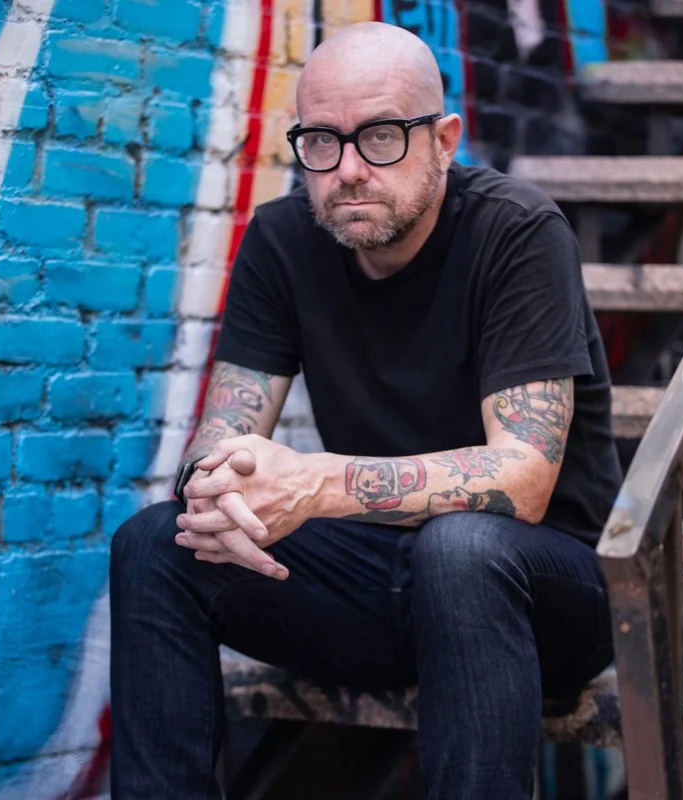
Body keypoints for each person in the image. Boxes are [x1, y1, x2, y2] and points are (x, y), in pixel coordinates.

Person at [109, 21, 622, 800]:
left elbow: (523, 481)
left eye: (381, 137)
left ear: (444, 140)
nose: (348, 171)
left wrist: (314, 483)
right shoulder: (282, 240)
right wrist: (215, 485)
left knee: (461, 549)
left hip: (540, 596)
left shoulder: (517, 231)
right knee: (158, 542)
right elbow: (219, 437)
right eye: (321, 141)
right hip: (377, 590)